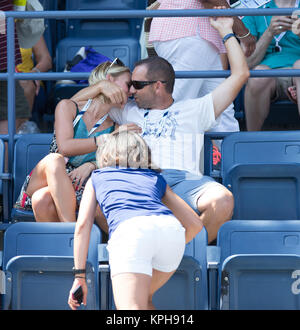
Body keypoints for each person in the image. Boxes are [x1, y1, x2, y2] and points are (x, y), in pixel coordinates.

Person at [71, 8, 250, 244]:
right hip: (139, 179)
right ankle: (141, 250)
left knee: (223, 200)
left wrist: (227, 32)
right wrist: (100, 88)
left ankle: (182, 251)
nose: (130, 90)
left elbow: (240, 74)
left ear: (158, 86)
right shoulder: (128, 110)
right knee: (98, 206)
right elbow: (73, 105)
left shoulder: (194, 109)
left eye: (137, 84)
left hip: (186, 181)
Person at [68, 130, 204, 310]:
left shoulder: (98, 177)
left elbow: (83, 226)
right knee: (144, 300)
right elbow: (195, 224)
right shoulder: (155, 177)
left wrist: (79, 276)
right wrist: (161, 242)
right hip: (170, 232)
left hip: (132, 233)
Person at [14, 60, 139, 228]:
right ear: (109, 80)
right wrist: (105, 140)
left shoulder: (115, 127)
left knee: (42, 199)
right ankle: (73, 233)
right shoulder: (68, 106)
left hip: (75, 188)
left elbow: (115, 161)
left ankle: (65, 248)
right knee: (54, 160)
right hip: (46, 177)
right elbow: (65, 148)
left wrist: (92, 165)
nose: (132, 91)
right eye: (128, 84)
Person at [148, 0, 256, 135]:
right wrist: (242, 31)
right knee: (178, 107)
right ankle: (161, 152)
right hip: (188, 32)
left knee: (222, 110)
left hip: (196, 35)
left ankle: (229, 155)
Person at [242, 0, 300, 131]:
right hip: (269, 74)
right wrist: (269, 33)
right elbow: (246, 63)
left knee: (299, 66)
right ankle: (252, 139)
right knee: (259, 75)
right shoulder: (253, 8)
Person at [0, 0, 31, 136]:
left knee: (17, 112)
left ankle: (4, 157)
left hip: (4, 60)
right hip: (4, 60)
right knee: (16, 111)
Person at [16, 35, 52, 133]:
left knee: (25, 85)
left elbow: (46, 60)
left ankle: (18, 134)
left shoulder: (29, 23)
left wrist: (34, 73)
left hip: (26, 78)